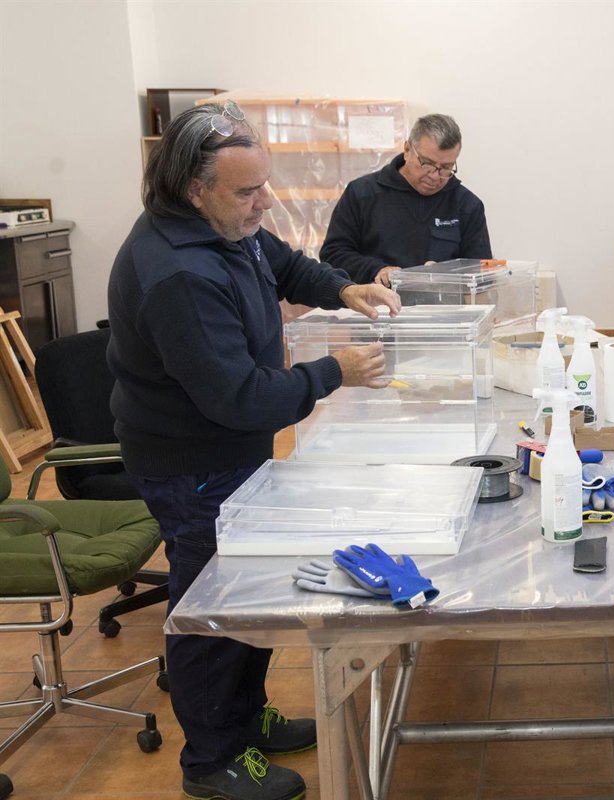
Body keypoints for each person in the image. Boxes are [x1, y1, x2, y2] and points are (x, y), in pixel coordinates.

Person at [108, 99, 400, 800]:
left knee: (245, 590)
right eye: (248, 192)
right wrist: (334, 372)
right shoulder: (178, 274)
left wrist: (343, 288)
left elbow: (284, 264)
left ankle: (246, 718)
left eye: (264, 185)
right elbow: (237, 396)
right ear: (195, 188)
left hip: (231, 450)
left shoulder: (226, 224)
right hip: (193, 463)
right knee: (212, 608)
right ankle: (211, 760)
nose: (264, 202)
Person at [319, 113, 492, 286]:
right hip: (374, 300)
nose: (434, 176)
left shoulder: (467, 205)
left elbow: (482, 274)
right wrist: (377, 270)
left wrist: (446, 274)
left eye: (446, 168)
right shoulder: (362, 194)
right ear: (407, 150)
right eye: (427, 163)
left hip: (445, 301)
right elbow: (333, 254)